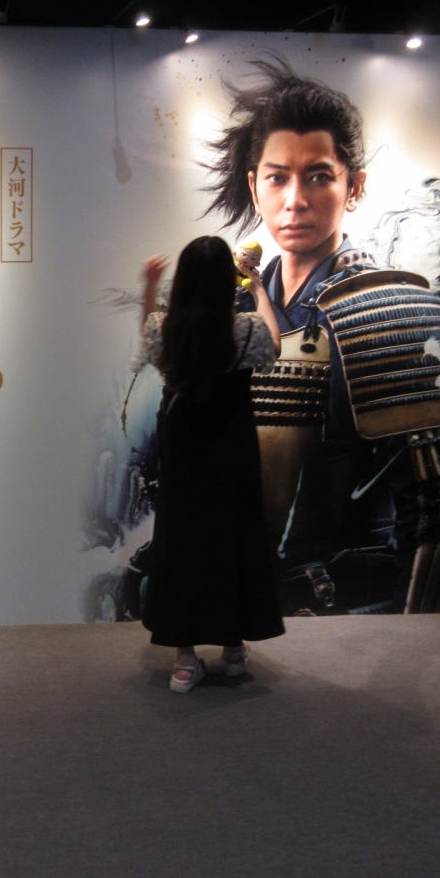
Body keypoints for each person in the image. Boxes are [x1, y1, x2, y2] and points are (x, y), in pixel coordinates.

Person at [205, 56, 440, 614]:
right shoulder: (234, 303)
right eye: (278, 177)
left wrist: (410, 638)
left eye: (319, 175)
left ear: (354, 186)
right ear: (255, 186)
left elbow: (434, 509)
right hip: (235, 590)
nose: (295, 199)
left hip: (337, 614)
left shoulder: (386, 309)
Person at [131, 236, 285, 693]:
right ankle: (233, 650)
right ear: (224, 281)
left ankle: (184, 661)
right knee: (234, 538)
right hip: (232, 447)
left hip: (183, 449)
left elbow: (148, 342)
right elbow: (275, 345)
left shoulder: (167, 328)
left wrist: (149, 287)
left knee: (182, 542)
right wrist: (260, 289)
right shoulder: (246, 329)